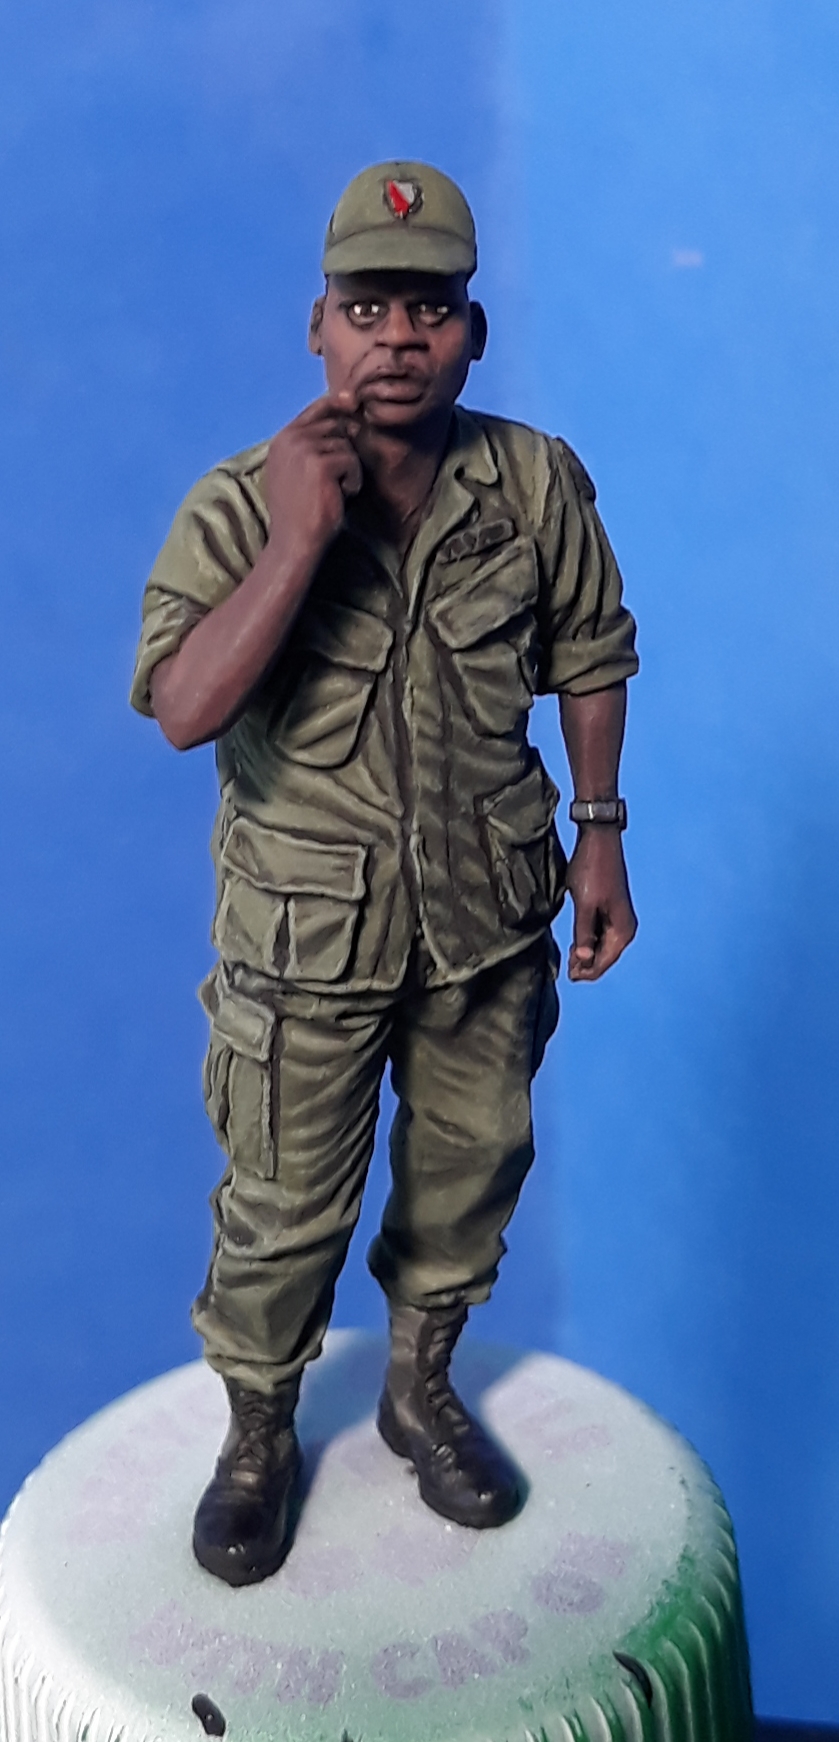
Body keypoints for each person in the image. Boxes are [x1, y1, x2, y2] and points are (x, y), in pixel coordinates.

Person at [130, 160, 639, 1588]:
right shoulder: (241, 507)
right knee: (282, 1208)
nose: (398, 339)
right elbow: (184, 706)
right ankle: (258, 1434)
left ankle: (422, 1388)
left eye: (430, 309)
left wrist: (601, 829)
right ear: (318, 327)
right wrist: (301, 538)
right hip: (308, 943)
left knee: (470, 1172)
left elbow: (592, 649)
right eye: (367, 308)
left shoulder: (531, 485)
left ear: (473, 331)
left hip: (487, 919)